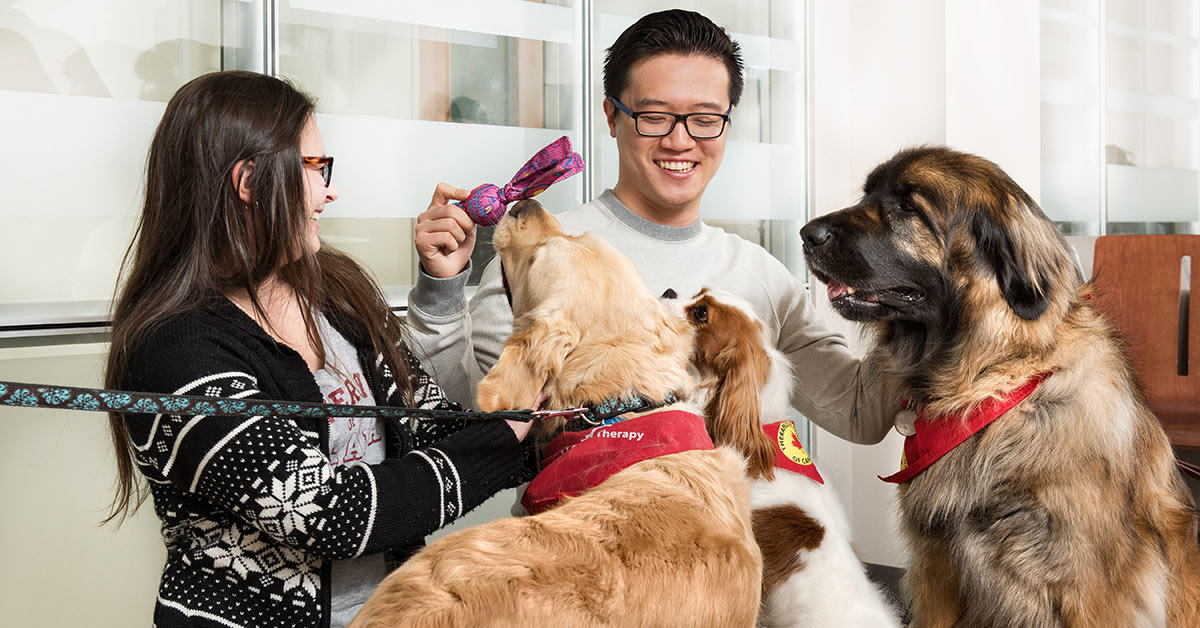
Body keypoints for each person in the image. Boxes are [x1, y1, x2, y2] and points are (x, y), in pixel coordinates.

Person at [104, 70, 532, 628]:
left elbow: (429, 421)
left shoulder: (335, 291)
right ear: (249, 180)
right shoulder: (175, 349)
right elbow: (329, 514)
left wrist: (549, 415)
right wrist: (507, 441)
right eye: (314, 169)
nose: (329, 191)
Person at [408, 9, 896, 445]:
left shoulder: (762, 280)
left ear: (727, 122)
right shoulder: (547, 254)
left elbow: (860, 414)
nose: (680, 140)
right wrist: (441, 295)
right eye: (655, 116)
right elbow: (469, 426)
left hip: (731, 540)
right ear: (612, 117)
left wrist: (915, 288)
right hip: (583, 536)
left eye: (705, 119)